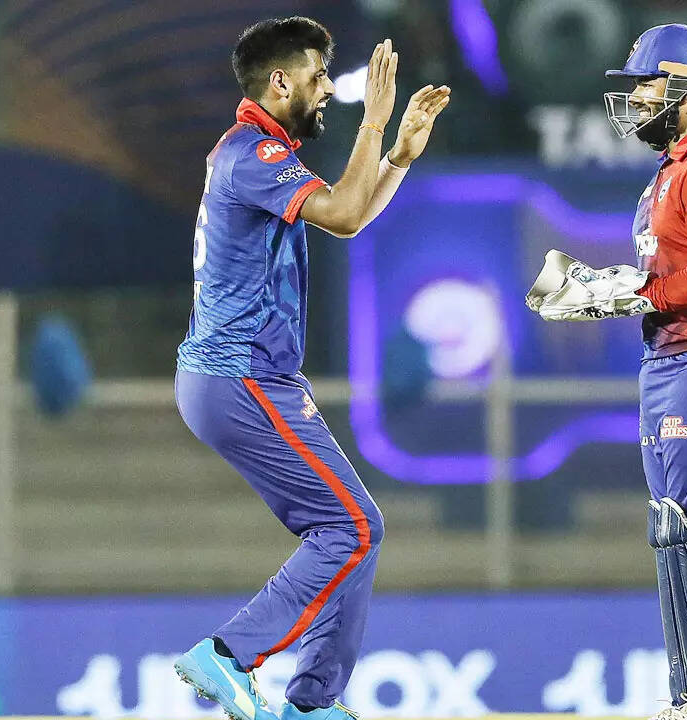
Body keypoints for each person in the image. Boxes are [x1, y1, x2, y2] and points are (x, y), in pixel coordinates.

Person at [170, 17, 450, 720]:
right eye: (318, 75)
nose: (328, 88)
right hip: (239, 377)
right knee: (351, 529)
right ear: (280, 82)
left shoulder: (260, 153)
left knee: (355, 531)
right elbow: (346, 214)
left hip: (244, 377)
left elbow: (348, 213)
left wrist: (398, 156)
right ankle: (229, 655)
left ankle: (313, 703)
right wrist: (374, 122)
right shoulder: (254, 153)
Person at [528, 23, 687, 720]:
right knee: (673, 531)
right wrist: (622, 287)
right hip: (672, 356)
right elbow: (673, 273)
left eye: (647, 84)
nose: (636, 99)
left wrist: (636, 290)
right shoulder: (672, 171)